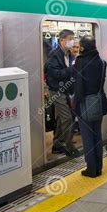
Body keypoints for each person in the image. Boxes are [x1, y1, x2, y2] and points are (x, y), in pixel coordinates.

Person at [73, 36, 107, 178]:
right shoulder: (102, 62)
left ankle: (91, 169)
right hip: (98, 102)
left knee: (87, 138)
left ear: (82, 47)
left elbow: (78, 86)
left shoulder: (80, 61)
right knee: (97, 136)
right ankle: (99, 167)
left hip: (85, 104)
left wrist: (76, 104)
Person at [44, 29, 79, 157]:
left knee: (61, 118)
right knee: (67, 118)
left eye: (73, 38)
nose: (72, 42)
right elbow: (55, 74)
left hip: (67, 90)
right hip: (56, 90)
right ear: (62, 40)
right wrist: (72, 69)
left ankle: (57, 144)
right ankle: (69, 147)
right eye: (70, 39)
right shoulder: (54, 55)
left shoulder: (69, 55)